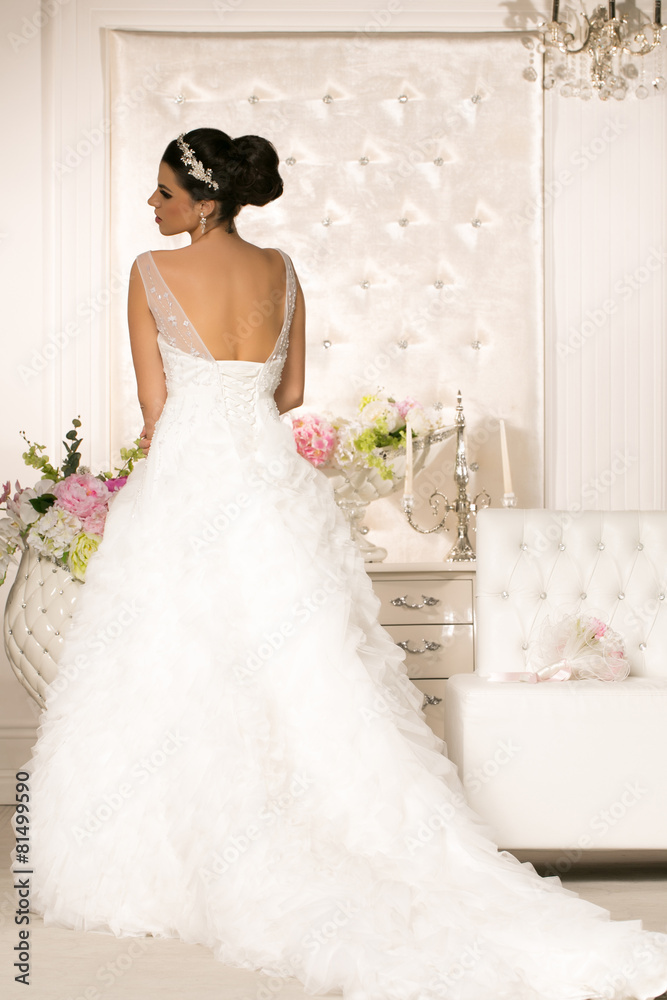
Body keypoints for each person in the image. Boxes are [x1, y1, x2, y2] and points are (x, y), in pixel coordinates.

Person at [13, 128, 667, 1000]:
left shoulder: (148, 272)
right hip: (269, 483)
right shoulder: (282, 270)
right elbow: (288, 395)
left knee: (172, 659)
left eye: (164, 192)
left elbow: (155, 406)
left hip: (186, 484)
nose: (152, 205)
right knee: (303, 668)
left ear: (204, 202)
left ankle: (194, 847)